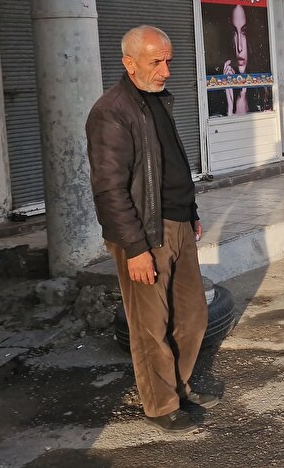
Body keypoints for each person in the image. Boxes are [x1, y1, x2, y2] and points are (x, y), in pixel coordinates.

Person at [86, 25, 219, 433]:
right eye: (155, 62)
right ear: (129, 63)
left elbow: (171, 164)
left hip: (178, 223)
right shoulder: (112, 110)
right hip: (144, 232)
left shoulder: (157, 101)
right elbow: (109, 187)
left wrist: (191, 210)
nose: (165, 70)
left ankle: (179, 385)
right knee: (149, 327)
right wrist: (135, 247)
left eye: (168, 61)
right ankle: (161, 405)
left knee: (192, 317)